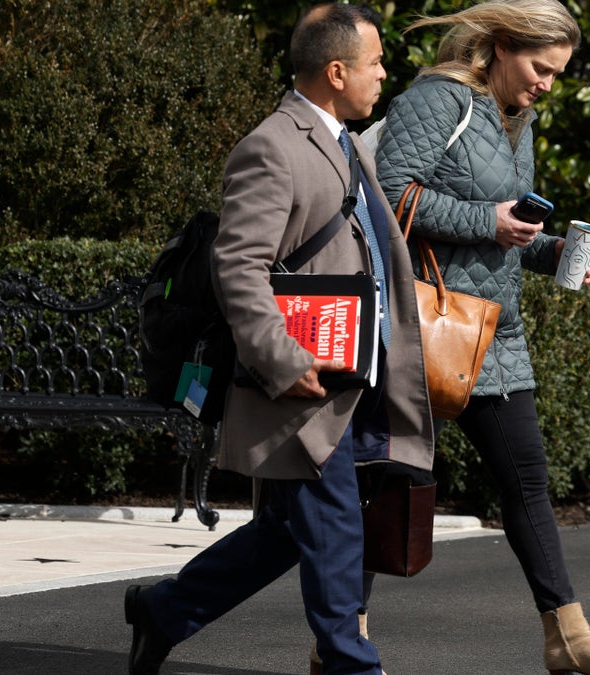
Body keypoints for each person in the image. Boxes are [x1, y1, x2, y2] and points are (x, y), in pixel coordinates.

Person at [122, 4, 433, 674]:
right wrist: (282, 358)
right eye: (376, 62)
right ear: (337, 70)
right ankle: (353, 664)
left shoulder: (340, 139)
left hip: (349, 373)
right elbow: (238, 264)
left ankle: (165, 610)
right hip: (303, 376)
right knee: (334, 522)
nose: (385, 74)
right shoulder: (274, 144)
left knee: (288, 531)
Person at [370, 1, 590, 674]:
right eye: (539, 67)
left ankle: (568, 636)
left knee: (527, 480)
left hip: (494, 333)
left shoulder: (516, 120)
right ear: (498, 47)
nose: (547, 83)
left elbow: (505, 228)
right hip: (424, 325)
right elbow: (387, 191)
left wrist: (552, 250)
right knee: (384, 488)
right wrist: (485, 220)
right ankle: (339, 638)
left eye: (557, 73)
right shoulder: (437, 100)